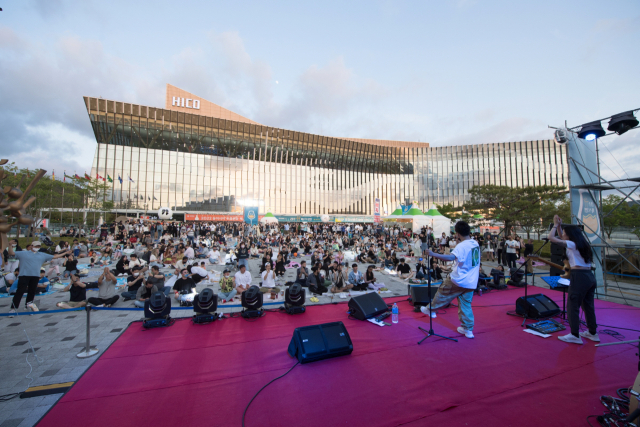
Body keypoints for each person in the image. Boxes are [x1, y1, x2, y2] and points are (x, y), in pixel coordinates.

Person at [420, 221, 480, 339]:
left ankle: (429, 309)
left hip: (459, 279)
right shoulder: (475, 243)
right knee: (465, 305)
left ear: (457, 233)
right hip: (471, 281)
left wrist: (433, 254)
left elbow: (451, 257)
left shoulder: (462, 246)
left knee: (442, 293)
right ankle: (468, 330)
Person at [548, 215, 599, 344]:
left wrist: (554, 225)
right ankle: (592, 332)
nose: (562, 235)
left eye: (564, 233)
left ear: (569, 235)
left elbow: (552, 238)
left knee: (572, 305)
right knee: (588, 306)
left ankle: (574, 334)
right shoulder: (581, 243)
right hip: (589, 276)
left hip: (579, 276)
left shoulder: (571, 244)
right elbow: (561, 237)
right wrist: (560, 226)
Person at [8, 241, 70, 316]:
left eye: (38, 246)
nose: (37, 248)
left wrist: (66, 253)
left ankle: (28, 306)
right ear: (31, 246)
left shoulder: (42, 255)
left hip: (35, 276)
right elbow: (11, 253)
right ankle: (13, 309)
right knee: (20, 292)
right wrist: (10, 245)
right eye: (36, 246)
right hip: (24, 275)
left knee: (32, 291)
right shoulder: (23, 253)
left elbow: (55, 256)